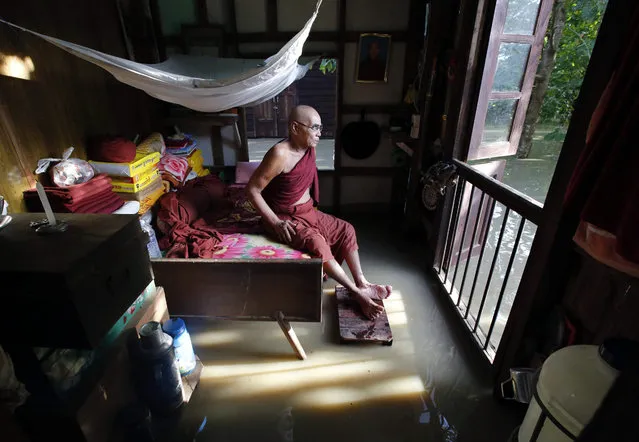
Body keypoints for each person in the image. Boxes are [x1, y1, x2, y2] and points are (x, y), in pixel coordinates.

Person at [247, 105, 392, 320]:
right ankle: (356, 293)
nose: (319, 133)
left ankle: (362, 282)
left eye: (320, 128)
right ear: (295, 128)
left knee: (346, 229)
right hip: (285, 217)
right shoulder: (280, 154)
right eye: (314, 128)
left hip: (308, 211)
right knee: (318, 243)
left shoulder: (308, 148)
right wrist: (275, 223)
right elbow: (252, 189)